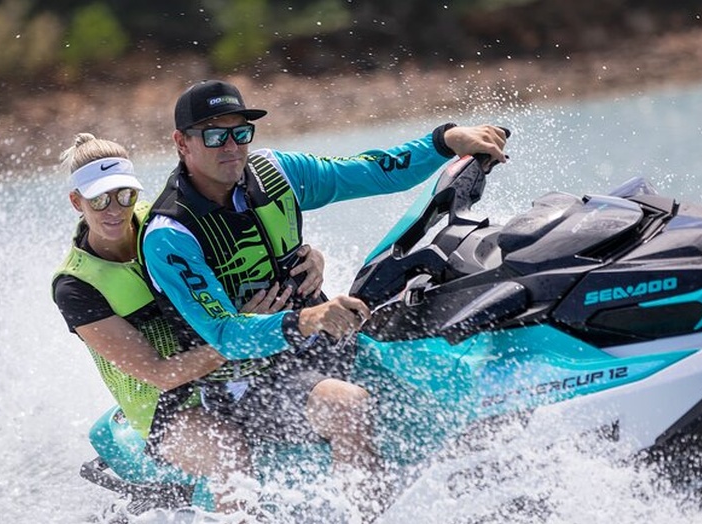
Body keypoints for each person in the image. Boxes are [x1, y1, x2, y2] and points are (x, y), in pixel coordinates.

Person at [139, 80, 509, 487]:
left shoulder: (276, 172)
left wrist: (444, 140)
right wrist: (309, 319)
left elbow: (371, 172)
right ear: (181, 142)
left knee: (445, 357)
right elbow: (224, 334)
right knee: (348, 406)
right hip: (246, 383)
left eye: (241, 132)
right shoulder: (170, 234)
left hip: (324, 341)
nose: (232, 146)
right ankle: (361, 511)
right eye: (214, 135)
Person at [50, 133, 327, 512]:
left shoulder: (168, 224)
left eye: (124, 195)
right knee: (228, 453)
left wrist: (310, 257)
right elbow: (160, 374)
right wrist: (240, 334)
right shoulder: (76, 287)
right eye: (98, 199)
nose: (114, 209)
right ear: (76, 201)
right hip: (170, 408)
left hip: (233, 373)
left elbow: (260, 247)